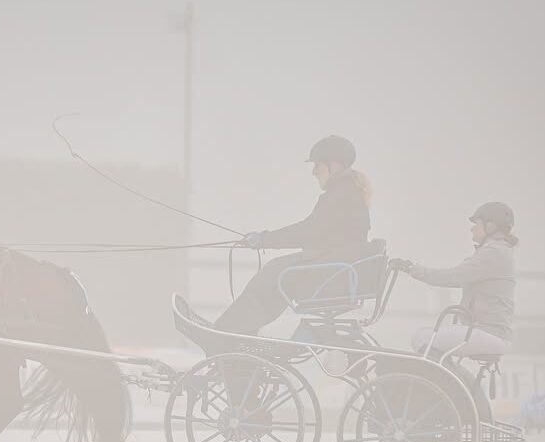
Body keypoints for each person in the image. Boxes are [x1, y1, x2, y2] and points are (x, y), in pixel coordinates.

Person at [215, 135, 372, 335]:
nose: (314, 171)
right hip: (333, 269)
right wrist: (266, 239)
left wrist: (265, 239)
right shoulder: (346, 194)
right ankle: (241, 329)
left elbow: (307, 232)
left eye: (318, 165)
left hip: (331, 271)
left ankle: (230, 330)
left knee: (274, 273)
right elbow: (314, 232)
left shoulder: (341, 196)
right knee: (277, 273)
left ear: (335, 165)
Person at [392, 202, 518, 357]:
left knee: (421, 338)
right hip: (490, 332)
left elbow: (453, 277)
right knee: (428, 337)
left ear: (490, 226)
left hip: (487, 333)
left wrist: (412, 269)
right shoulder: (497, 252)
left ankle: (441, 381)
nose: (472, 228)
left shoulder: (493, 253)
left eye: (477, 224)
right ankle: (446, 379)